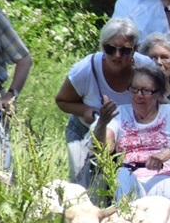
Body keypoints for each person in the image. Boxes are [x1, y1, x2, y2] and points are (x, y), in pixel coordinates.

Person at [55, 18, 154, 186]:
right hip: (86, 132)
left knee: (125, 188)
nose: (117, 55)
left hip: (131, 136)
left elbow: (160, 100)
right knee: (87, 188)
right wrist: (86, 110)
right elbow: (61, 100)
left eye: (124, 51)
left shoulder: (147, 68)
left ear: (135, 50)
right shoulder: (85, 70)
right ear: (102, 47)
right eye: (110, 49)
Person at [94, 65, 170, 204]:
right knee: (121, 178)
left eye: (146, 91)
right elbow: (103, 149)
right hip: (129, 175)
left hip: (166, 175)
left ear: (159, 94)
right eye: (134, 89)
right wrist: (102, 123)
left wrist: (169, 152)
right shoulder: (120, 114)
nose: (138, 95)